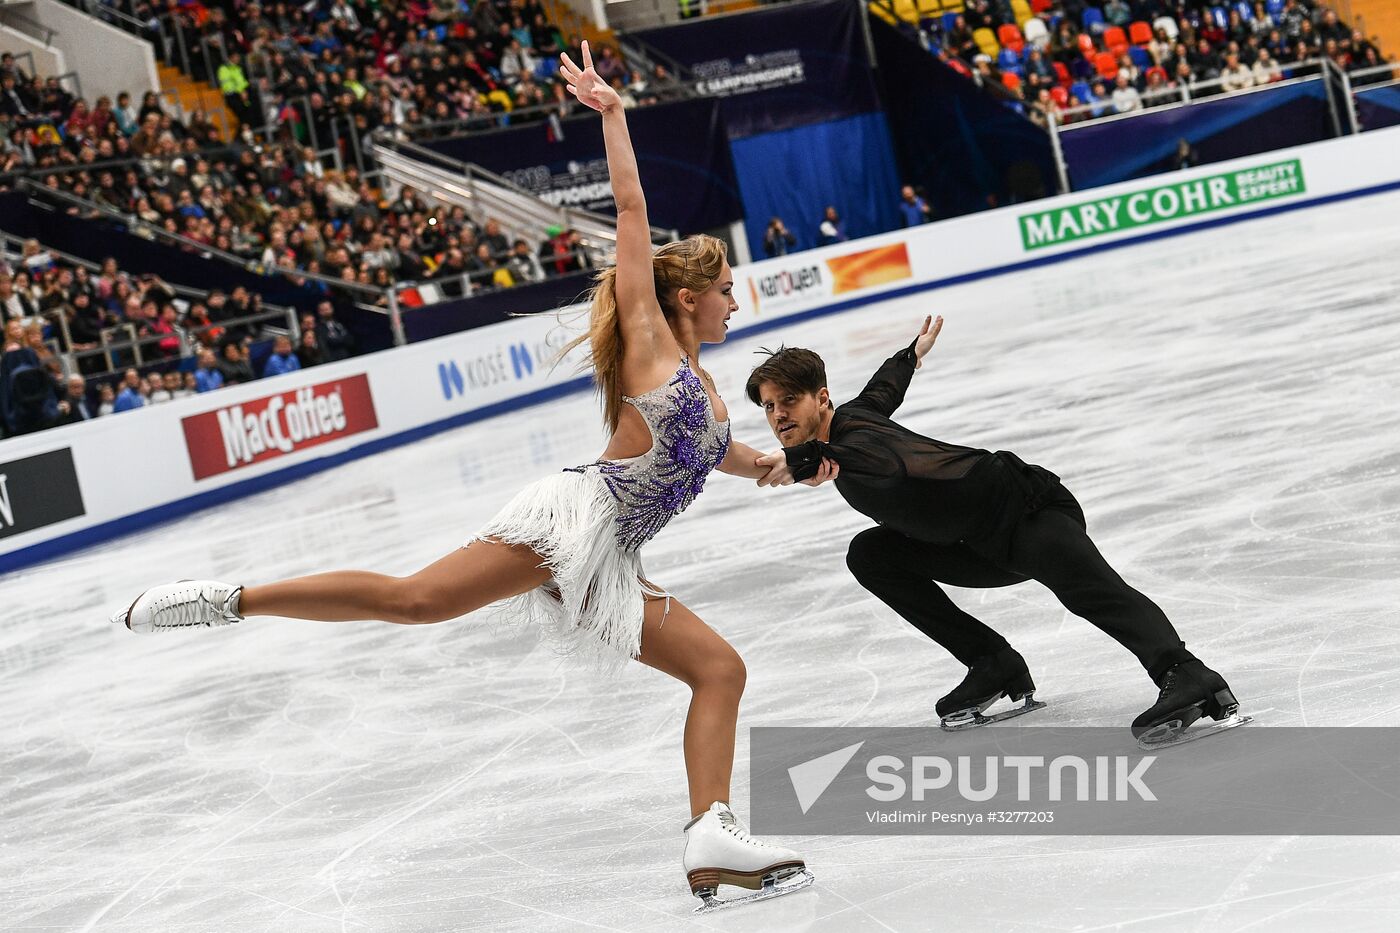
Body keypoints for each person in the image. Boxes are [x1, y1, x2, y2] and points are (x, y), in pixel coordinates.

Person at [110, 41, 816, 911]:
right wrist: (612, 113)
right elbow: (631, 207)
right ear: (686, 297)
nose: (735, 300)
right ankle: (227, 598)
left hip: (612, 563)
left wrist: (782, 466)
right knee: (416, 600)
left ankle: (710, 831)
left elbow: (720, 455)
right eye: (725, 290)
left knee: (720, 670)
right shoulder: (649, 335)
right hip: (576, 520)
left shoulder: (705, 385)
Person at [746, 316, 1242, 745]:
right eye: (768, 407)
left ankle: (1185, 673)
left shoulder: (855, 435)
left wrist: (807, 457)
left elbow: (884, 458)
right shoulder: (855, 422)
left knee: (1092, 592)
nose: (779, 415)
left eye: (788, 400)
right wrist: (910, 355)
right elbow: (883, 390)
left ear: (822, 398)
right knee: (871, 554)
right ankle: (993, 663)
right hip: (974, 545)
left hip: (1021, 509)